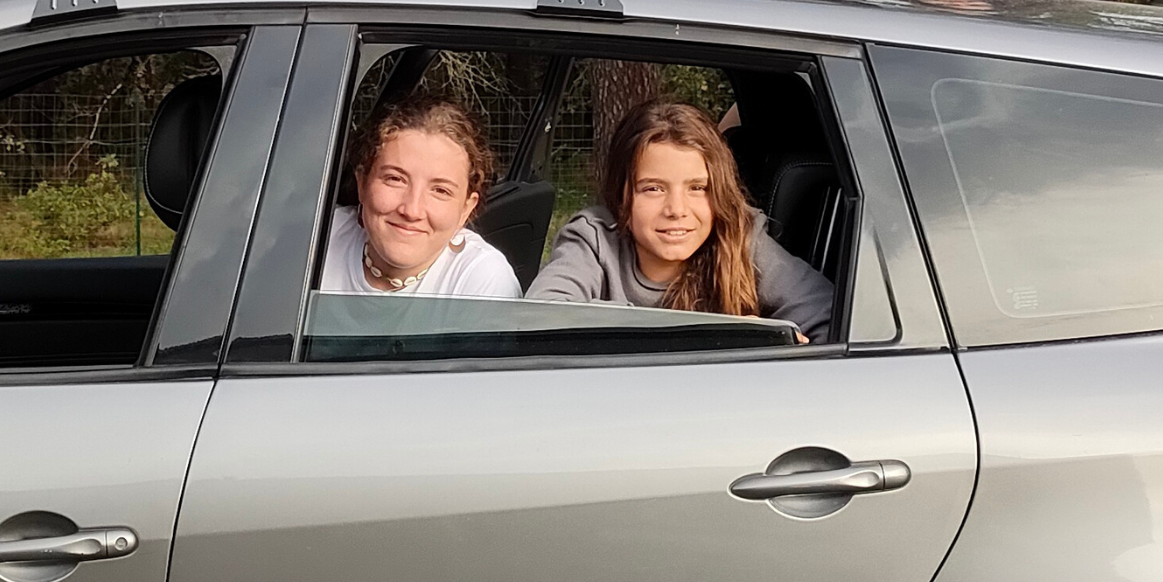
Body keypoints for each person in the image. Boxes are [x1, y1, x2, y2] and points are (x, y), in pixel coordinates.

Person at [527, 99, 836, 342]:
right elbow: (544, 313)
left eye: (697, 188)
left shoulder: (738, 237)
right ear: (622, 196)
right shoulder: (594, 238)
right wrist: (720, 334)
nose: (676, 209)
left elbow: (830, 315)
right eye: (653, 189)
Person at [316, 95, 522, 297]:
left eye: (440, 190)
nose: (412, 210)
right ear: (362, 183)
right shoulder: (313, 241)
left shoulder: (482, 281)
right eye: (395, 179)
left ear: (466, 209)